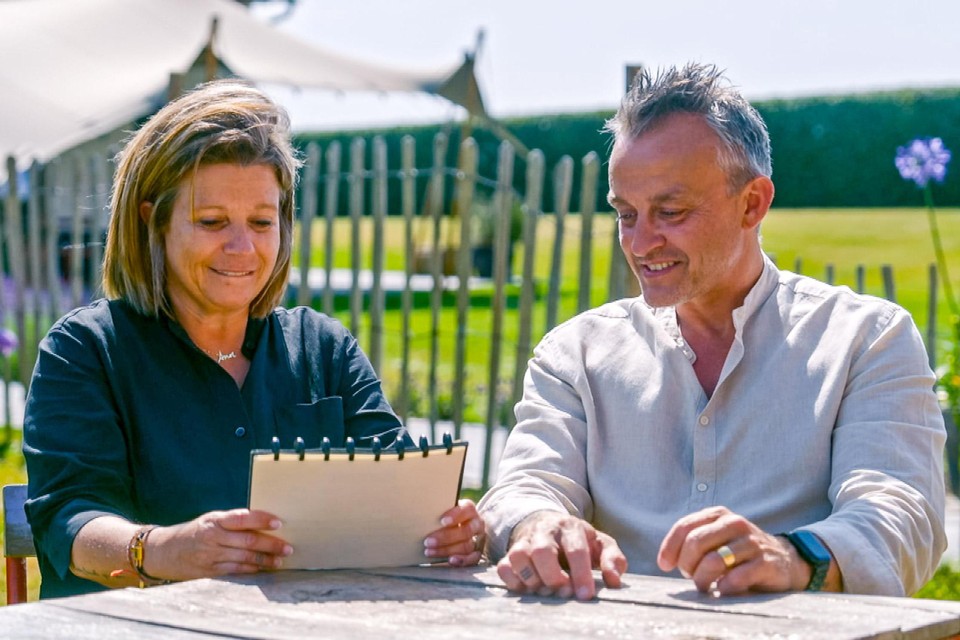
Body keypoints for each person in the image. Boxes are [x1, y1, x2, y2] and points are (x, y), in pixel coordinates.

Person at [477, 63, 946, 601]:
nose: (640, 242)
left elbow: (901, 516)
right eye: (626, 214)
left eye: (670, 212)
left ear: (752, 203)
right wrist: (537, 522)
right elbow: (523, 486)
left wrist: (795, 556)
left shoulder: (867, 340)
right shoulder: (575, 354)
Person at [23, 80, 483, 599]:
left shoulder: (324, 348)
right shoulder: (86, 352)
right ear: (153, 221)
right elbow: (68, 517)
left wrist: (444, 529)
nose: (242, 248)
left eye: (262, 222)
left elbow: (400, 491)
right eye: (213, 221)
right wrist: (163, 550)